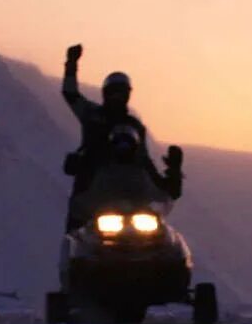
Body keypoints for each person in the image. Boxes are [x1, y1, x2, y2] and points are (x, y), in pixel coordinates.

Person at [61, 44, 181, 228]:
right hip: (92, 187)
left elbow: (144, 161)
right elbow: (70, 94)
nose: (117, 97)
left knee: (161, 239)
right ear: (106, 93)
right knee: (76, 235)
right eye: (113, 92)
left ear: (127, 95)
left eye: (121, 92)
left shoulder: (134, 126)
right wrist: (71, 65)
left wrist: (170, 177)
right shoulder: (92, 114)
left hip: (129, 192)